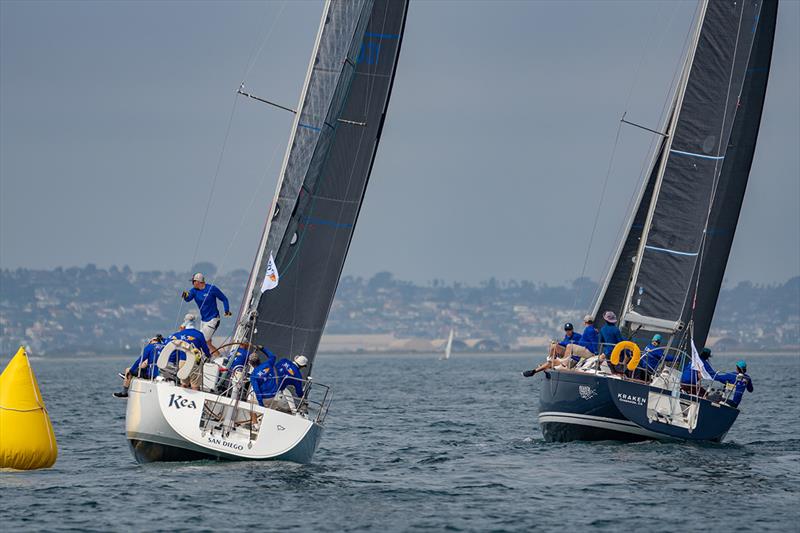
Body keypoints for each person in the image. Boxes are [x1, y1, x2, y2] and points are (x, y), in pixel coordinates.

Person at [181, 272, 231, 356]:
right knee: (207, 343)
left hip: (213, 319)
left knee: (201, 340)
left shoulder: (211, 288)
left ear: (198, 282)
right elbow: (188, 299)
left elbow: (224, 299)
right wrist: (184, 295)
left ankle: (204, 357)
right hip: (203, 320)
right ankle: (219, 358)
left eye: (193, 281)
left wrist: (226, 310)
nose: (192, 283)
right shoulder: (194, 291)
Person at [166, 316, 211, 389]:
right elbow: (205, 349)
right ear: (194, 322)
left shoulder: (179, 334)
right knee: (195, 386)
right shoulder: (199, 334)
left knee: (184, 384)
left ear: (185, 321)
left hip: (182, 362)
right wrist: (208, 356)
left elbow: (169, 342)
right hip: (195, 362)